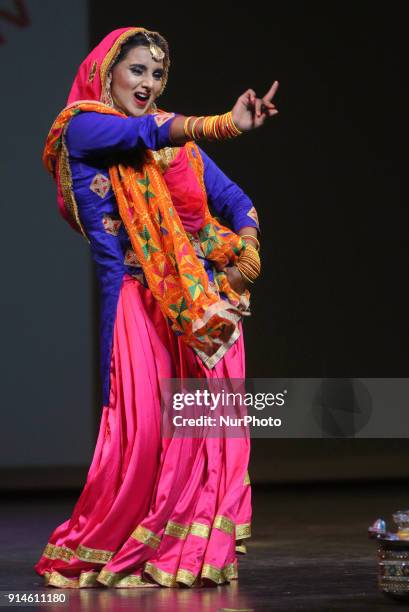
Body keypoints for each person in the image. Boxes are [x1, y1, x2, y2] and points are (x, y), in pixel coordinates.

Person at [34, 26, 278, 589]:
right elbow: (145, 129)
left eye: (157, 74)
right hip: (136, 301)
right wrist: (223, 123)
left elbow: (237, 200)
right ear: (106, 71)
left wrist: (247, 252)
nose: (147, 83)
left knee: (198, 432)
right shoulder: (84, 128)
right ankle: (109, 547)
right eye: (137, 69)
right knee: (142, 432)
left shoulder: (176, 149)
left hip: (194, 304)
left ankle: (177, 551)